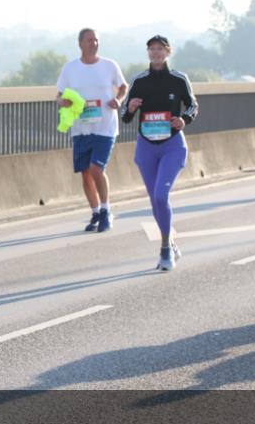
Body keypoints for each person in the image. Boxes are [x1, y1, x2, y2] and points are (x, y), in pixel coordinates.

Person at [122, 35, 199, 271]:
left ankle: (165, 249)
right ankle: (172, 243)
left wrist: (184, 120)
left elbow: (193, 105)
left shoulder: (179, 79)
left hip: (172, 145)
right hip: (146, 146)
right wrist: (132, 107)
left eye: (160, 49)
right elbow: (126, 116)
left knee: (160, 196)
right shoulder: (140, 81)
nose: (155, 53)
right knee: (155, 201)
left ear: (168, 52)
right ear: (148, 52)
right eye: (151, 49)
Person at [56, 28, 128, 232]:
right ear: (80, 44)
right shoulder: (70, 68)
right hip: (81, 128)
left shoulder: (109, 65)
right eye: (89, 40)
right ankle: (95, 212)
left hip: (105, 127)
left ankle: (106, 210)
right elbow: (59, 96)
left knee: (97, 169)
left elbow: (123, 86)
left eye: (96, 40)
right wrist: (64, 102)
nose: (93, 43)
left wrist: (119, 99)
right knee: (86, 174)